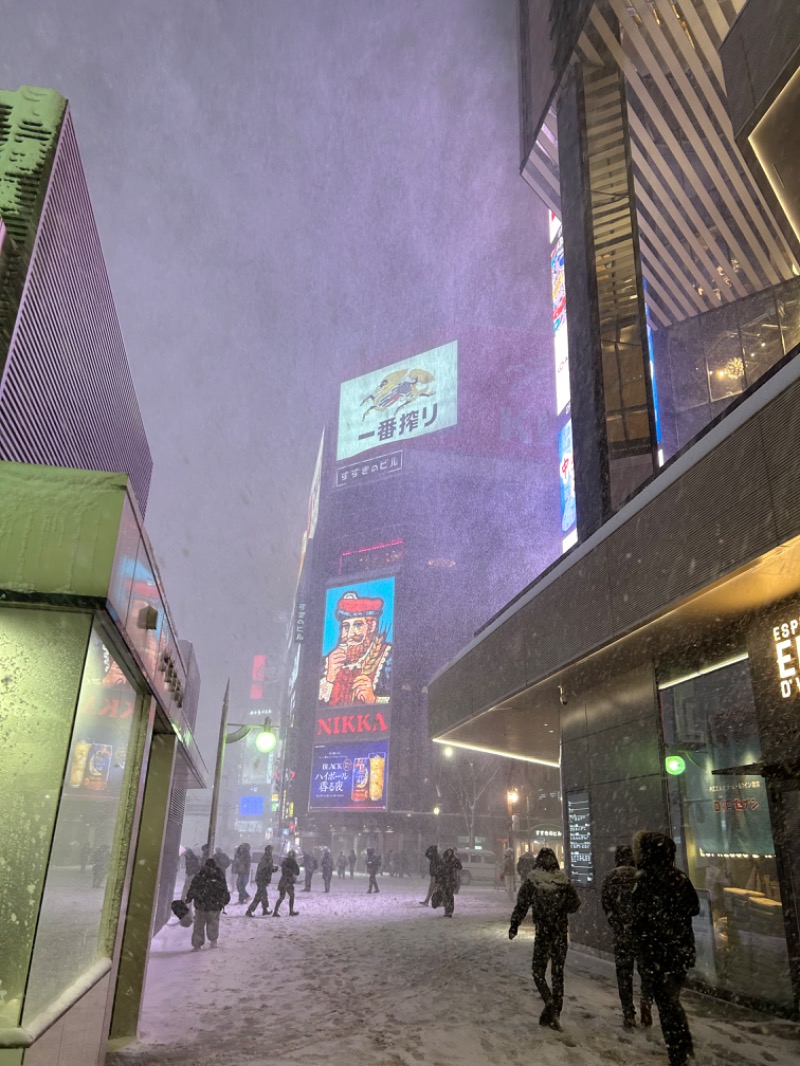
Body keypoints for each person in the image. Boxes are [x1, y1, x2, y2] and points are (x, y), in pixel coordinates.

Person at [631, 832, 699, 1066]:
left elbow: (638, 918)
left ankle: (678, 1054)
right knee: (672, 1000)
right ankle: (683, 1045)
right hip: (680, 950)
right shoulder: (678, 877)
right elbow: (693, 908)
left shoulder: (646, 879)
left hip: (658, 953)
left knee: (667, 1003)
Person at [508, 847, 580, 1031]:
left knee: (538, 971)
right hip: (560, 933)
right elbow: (575, 905)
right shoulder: (563, 881)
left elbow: (522, 904)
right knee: (558, 974)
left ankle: (548, 1000)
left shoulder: (533, 881)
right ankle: (556, 1011)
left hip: (543, 934)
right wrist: (560, 908)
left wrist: (515, 925)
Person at [602, 844, 653, 1029]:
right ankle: (646, 1002)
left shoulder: (610, 877)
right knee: (646, 972)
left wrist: (617, 925)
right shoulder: (642, 876)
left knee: (624, 975)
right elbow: (650, 905)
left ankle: (628, 1013)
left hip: (622, 934)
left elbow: (606, 905)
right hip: (642, 934)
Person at [318, 590, 392, 705]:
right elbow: (308, 709)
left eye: (358, 625)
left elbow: (403, 703)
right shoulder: (326, 664)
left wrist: (374, 699)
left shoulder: (388, 658)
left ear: (371, 626)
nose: (349, 634)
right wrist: (329, 679)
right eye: (346, 627)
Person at [187, 857, 230, 950]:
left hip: (205, 905)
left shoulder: (202, 875)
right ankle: (209, 942)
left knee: (201, 925)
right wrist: (223, 902)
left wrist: (190, 897)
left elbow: (193, 887)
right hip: (211, 905)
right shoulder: (217, 876)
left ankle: (199, 944)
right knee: (210, 924)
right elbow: (224, 890)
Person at [245, 845, 277, 917]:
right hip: (262, 879)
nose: (272, 851)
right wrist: (273, 869)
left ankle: (264, 910)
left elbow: (266, 868)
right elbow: (265, 868)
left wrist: (272, 868)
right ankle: (250, 910)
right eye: (271, 849)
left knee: (262, 895)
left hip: (262, 879)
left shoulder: (266, 857)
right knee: (260, 896)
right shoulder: (266, 858)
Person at [433, 847, 462, 918]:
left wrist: (455, 861)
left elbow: (460, 867)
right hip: (443, 881)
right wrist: (437, 880)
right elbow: (438, 871)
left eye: (450, 853)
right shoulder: (442, 860)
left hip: (450, 882)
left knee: (450, 896)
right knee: (445, 896)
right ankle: (447, 910)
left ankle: (449, 912)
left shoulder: (454, 860)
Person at [272, 850, 301, 917]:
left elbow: (285, 871)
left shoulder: (285, 862)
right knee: (289, 896)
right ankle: (290, 911)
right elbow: (297, 872)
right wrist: (292, 871)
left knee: (283, 897)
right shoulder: (293, 862)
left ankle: (276, 911)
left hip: (284, 881)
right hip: (287, 881)